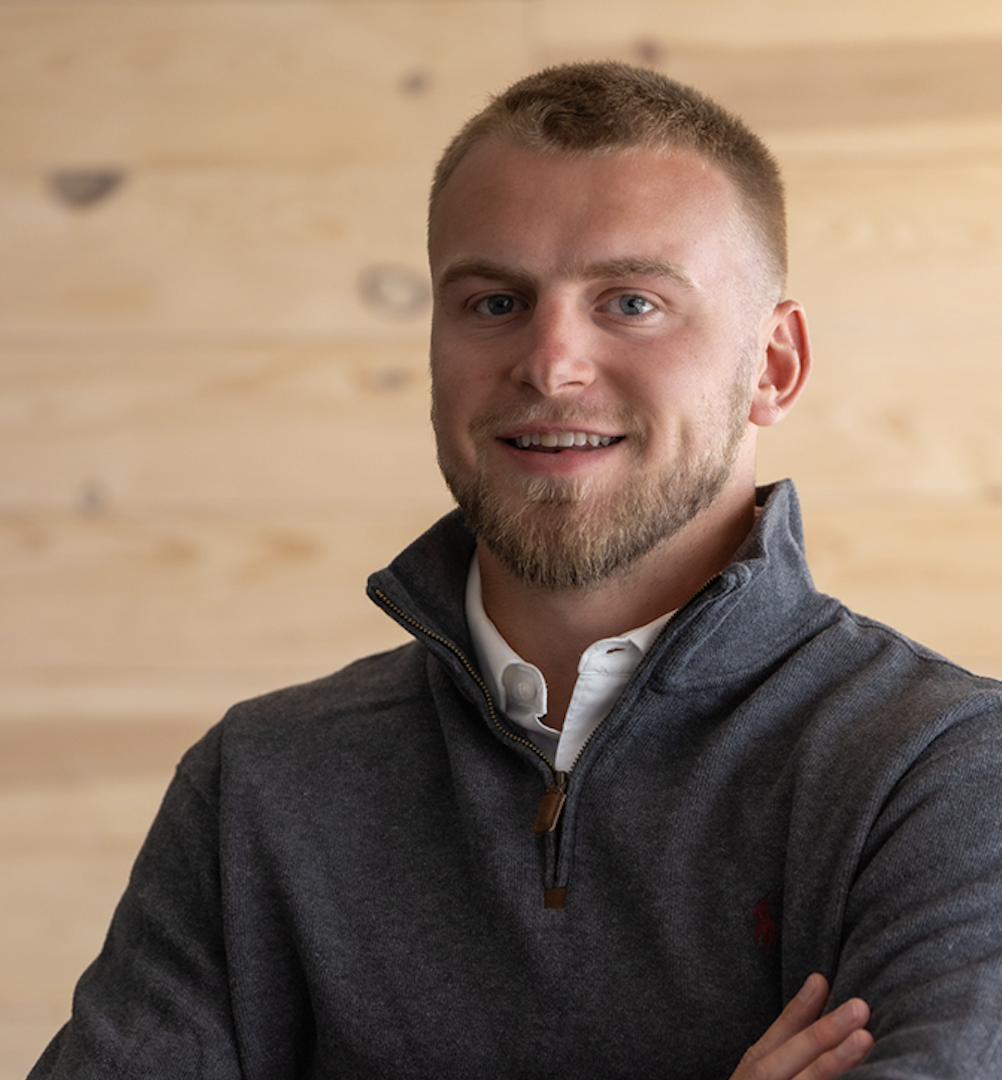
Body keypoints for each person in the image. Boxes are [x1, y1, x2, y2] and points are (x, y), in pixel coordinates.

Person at [29, 61, 1002, 1079]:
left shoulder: (937, 770)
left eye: (631, 301)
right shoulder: (258, 786)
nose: (549, 363)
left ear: (774, 366)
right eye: (494, 302)